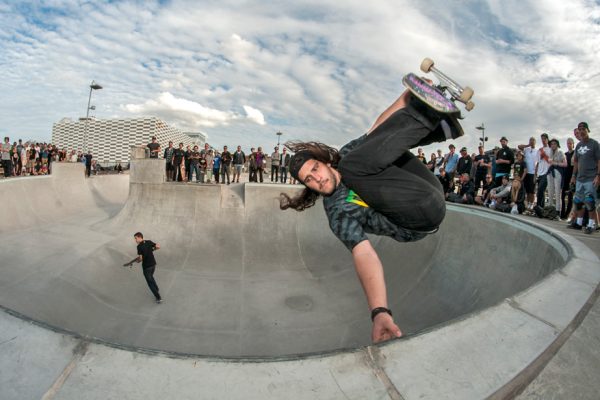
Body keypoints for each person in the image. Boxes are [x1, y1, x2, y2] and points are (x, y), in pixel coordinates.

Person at [280, 88, 462, 343]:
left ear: (324, 162)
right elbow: (363, 253)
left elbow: (379, 127)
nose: (317, 179)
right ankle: (429, 119)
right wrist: (379, 311)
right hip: (418, 219)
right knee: (353, 165)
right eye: (309, 180)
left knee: (367, 147)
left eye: (315, 169)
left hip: (427, 187)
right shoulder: (337, 212)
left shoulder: (346, 156)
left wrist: (408, 95)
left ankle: (438, 124)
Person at [568, 122, 600, 234]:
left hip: (591, 177)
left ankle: (591, 225)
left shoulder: (594, 144)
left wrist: (598, 176)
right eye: (579, 129)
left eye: (583, 129)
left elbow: (599, 161)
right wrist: (573, 176)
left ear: (588, 130)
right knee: (578, 202)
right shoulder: (578, 145)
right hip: (580, 178)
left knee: (590, 202)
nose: (581, 131)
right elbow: (576, 162)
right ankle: (579, 223)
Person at [126, 232, 163, 303]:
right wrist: (151, 250)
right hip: (153, 265)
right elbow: (158, 246)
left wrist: (138, 261)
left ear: (140, 237)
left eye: (136, 238)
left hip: (146, 267)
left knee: (149, 283)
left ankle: (158, 298)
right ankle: (157, 288)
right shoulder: (149, 242)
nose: (135, 240)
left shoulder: (139, 247)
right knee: (151, 277)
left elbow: (141, 258)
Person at [518, 137, 538, 213]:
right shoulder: (526, 149)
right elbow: (519, 146)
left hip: (532, 173)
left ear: (535, 142)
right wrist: (528, 145)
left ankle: (531, 203)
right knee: (526, 190)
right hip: (526, 172)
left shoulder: (537, 151)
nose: (532, 142)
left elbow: (538, 163)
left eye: (533, 140)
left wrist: (536, 174)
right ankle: (528, 203)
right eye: (530, 140)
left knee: (532, 191)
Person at [547, 139, 567, 213]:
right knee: (550, 191)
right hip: (550, 172)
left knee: (558, 192)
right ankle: (550, 210)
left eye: (554, 144)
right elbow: (549, 163)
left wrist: (555, 163)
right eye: (551, 144)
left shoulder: (561, 153)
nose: (553, 145)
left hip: (558, 172)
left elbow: (565, 164)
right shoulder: (550, 153)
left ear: (557, 144)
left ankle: (558, 211)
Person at [535, 133, 552, 207]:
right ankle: (541, 208)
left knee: (540, 189)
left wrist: (545, 156)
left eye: (545, 139)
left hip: (547, 172)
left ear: (547, 139)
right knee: (541, 191)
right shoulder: (539, 150)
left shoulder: (551, 149)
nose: (543, 140)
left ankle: (538, 206)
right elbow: (537, 163)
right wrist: (535, 174)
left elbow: (551, 161)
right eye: (542, 139)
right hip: (540, 173)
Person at [561, 136, 576, 220]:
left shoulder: (575, 153)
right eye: (568, 143)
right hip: (564, 177)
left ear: (573, 144)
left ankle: (567, 214)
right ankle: (562, 214)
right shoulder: (565, 154)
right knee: (562, 196)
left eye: (570, 143)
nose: (569, 145)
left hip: (572, 178)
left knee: (570, 197)